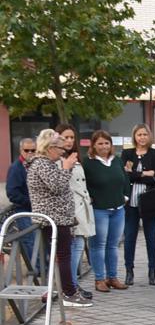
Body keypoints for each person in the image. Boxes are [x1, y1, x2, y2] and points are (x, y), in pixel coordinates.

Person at [25, 130, 92, 307]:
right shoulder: (42, 164)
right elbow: (57, 186)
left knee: (61, 255)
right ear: (50, 148)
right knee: (63, 255)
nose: (63, 152)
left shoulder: (46, 163)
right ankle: (68, 293)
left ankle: (62, 289)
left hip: (59, 217)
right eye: (60, 148)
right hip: (53, 218)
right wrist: (67, 167)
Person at [82, 130, 130, 292]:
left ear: (111, 145)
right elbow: (83, 185)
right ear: (93, 145)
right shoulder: (87, 163)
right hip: (99, 210)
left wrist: (125, 197)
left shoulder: (116, 160)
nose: (104, 146)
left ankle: (112, 277)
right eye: (100, 143)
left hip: (118, 209)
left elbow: (125, 180)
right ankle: (99, 279)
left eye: (106, 143)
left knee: (113, 245)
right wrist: (90, 199)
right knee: (98, 245)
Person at [55, 124, 94, 300]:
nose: (69, 141)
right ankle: (68, 287)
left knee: (77, 247)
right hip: (69, 211)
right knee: (71, 249)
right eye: (65, 137)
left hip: (81, 207)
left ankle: (72, 284)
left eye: (72, 137)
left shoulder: (76, 158)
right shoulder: (57, 160)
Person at [121, 124, 155, 285]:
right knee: (130, 237)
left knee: (151, 237)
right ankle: (129, 271)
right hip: (130, 203)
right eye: (139, 134)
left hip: (149, 201)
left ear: (149, 136)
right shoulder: (127, 153)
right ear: (134, 136)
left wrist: (136, 174)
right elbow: (126, 177)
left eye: (145, 134)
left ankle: (152, 271)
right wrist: (145, 173)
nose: (142, 137)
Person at [5, 137, 39, 262]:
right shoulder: (16, 168)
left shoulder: (36, 165)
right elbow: (12, 193)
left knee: (39, 240)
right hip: (23, 210)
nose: (30, 153)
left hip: (36, 210)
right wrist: (31, 201)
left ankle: (43, 267)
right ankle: (37, 269)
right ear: (20, 150)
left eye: (33, 150)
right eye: (26, 150)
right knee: (30, 239)